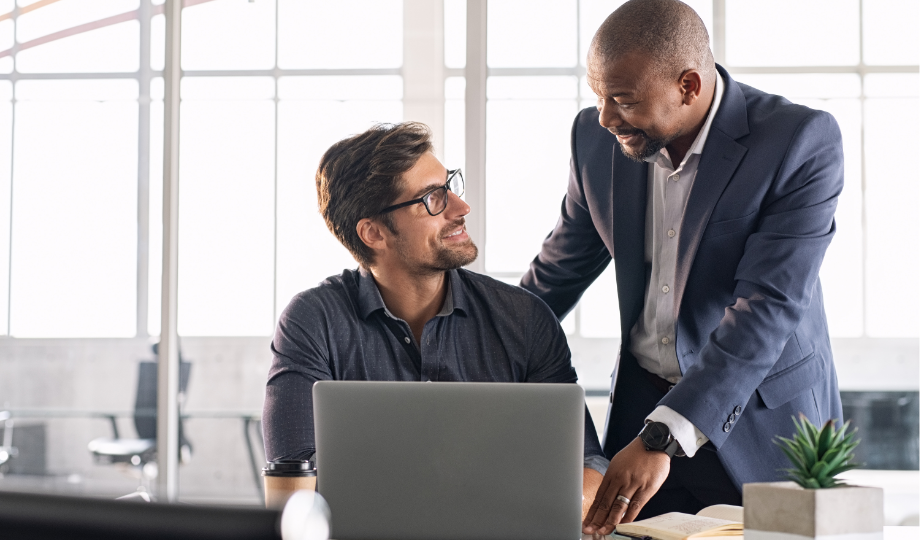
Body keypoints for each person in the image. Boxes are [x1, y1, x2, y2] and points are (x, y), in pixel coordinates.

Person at [519, 0, 844, 534]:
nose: (605, 117)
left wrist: (663, 437)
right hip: (639, 411)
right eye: (598, 96)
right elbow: (556, 274)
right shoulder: (594, 140)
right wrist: (464, 337)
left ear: (689, 85)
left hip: (762, 418)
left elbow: (768, 305)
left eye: (622, 100)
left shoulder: (797, 141)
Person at [262, 122, 609, 511]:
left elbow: (585, 461)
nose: (461, 208)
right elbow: (294, 480)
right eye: (432, 199)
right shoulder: (312, 322)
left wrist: (564, 510)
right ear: (373, 233)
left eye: (450, 186)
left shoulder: (525, 319)